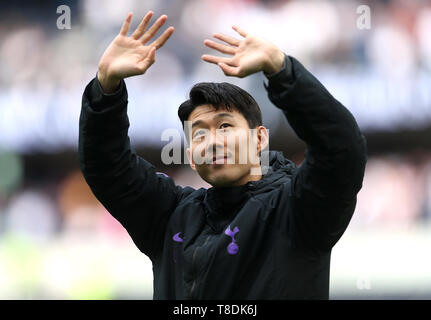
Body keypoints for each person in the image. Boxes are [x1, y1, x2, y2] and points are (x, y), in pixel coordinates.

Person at [79, 11, 367, 299]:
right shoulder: (169, 216)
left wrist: (283, 71)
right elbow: (108, 168)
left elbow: (341, 148)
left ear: (260, 138)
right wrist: (105, 88)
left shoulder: (298, 210)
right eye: (200, 134)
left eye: (225, 126)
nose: (213, 142)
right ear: (191, 157)